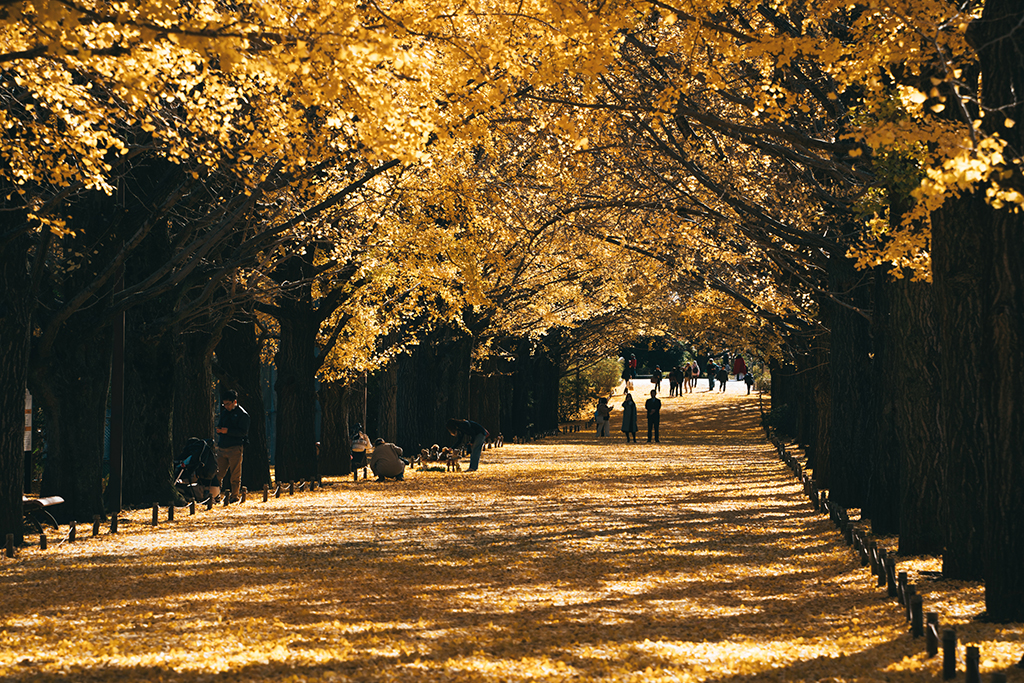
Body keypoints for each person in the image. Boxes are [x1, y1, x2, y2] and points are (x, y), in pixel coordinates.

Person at [215, 389, 250, 504]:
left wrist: (227, 431)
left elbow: (243, 432)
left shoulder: (242, 415)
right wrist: (220, 430)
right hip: (222, 447)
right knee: (218, 474)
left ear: (234, 402)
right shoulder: (224, 412)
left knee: (235, 474)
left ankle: (235, 495)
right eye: (224, 404)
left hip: (235, 448)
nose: (226, 406)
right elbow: (220, 424)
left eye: (228, 404)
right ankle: (215, 495)